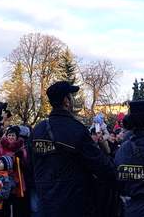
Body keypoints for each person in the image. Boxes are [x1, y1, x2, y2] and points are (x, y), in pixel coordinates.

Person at [32, 81, 116, 217]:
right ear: (66, 101)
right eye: (71, 96)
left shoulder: (38, 129)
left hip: (45, 203)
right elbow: (100, 165)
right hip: (72, 203)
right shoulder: (76, 129)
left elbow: (31, 164)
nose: (73, 100)